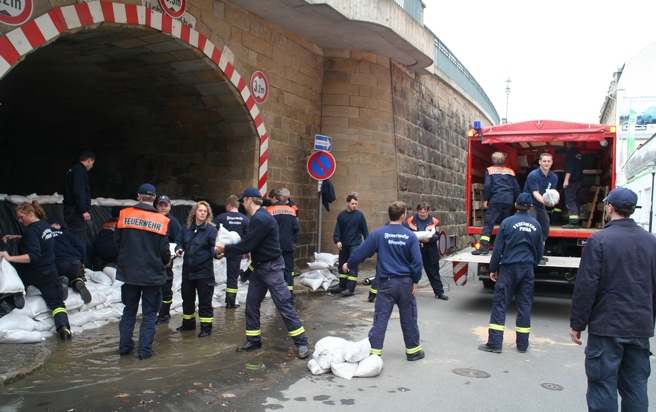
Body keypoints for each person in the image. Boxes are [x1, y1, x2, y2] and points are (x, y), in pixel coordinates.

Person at [569, 187, 656, 412]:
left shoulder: (599, 241)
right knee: (636, 387)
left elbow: (586, 287)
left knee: (602, 387)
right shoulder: (651, 242)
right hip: (639, 328)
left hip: (607, 328)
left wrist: (578, 324)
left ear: (610, 207)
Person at [215, 187, 309, 359]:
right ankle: (253, 340)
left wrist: (225, 248)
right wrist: (232, 251)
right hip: (260, 267)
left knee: (283, 304)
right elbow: (253, 243)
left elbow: (247, 245)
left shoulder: (260, 218)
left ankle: (302, 342)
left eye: (243, 200)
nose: (242, 203)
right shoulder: (259, 217)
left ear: (249, 200)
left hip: (271, 268)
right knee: (251, 304)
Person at [343, 201, 424, 361]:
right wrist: (415, 281)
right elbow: (417, 263)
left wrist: (348, 264)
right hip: (405, 284)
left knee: (381, 318)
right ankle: (413, 351)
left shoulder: (379, 234)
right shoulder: (410, 236)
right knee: (409, 318)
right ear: (403, 216)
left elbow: (361, 252)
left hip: (386, 283)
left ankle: (374, 353)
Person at [478, 193, 543, 354]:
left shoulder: (507, 223)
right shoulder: (536, 225)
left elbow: (498, 249)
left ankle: (495, 343)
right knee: (525, 305)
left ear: (515, 204)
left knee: (500, 304)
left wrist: (493, 269)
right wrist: (531, 264)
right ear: (530, 207)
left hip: (508, 269)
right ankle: (522, 344)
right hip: (527, 269)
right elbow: (540, 251)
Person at [0, 201, 72, 340]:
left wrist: (9, 257)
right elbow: (40, 240)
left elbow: (32, 256)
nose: (20, 221)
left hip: (32, 273)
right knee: (57, 304)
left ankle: (16, 297)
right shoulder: (45, 226)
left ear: (31, 214)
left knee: (15, 285)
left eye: (22, 217)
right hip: (49, 273)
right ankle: (64, 330)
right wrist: (18, 237)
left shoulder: (32, 231)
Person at [115, 183, 171, 359]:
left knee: (129, 311)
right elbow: (164, 250)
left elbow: (117, 242)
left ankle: (124, 348)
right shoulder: (162, 220)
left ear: (138, 196)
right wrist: (166, 261)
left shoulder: (124, 215)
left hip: (129, 273)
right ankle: (144, 351)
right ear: (154, 199)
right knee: (149, 314)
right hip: (152, 275)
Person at [174, 201, 218, 338]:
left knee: (205, 301)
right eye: (200, 210)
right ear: (195, 212)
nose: (203, 213)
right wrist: (178, 249)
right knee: (187, 298)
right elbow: (179, 241)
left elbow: (214, 248)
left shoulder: (211, 230)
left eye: (205, 211)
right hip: (188, 271)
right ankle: (188, 324)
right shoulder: (186, 228)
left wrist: (217, 254)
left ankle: (206, 328)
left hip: (204, 272)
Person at [472, 152, 521, 255]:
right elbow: (516, 187)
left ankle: (484, 248)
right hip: (508, 200)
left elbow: (488, 186)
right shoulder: (510, 171)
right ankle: (505, 248)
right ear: (503, 160)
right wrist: (518, 200)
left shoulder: (490, 170)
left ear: (493, 160)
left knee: (489, 224)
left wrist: (486, 199)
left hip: (496, 199)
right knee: (505, 224)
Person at [406, 202, 448, 301]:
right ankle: (408, 292)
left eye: (424, 213)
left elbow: (438, 235)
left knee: (434, 273)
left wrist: (429, 240)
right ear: (417, 211)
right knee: (411, 272)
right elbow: (407, 233)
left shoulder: (434, 221)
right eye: (420, 212)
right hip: (415, 250)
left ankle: (439, 292)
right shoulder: (411, 220)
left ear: (428, 212)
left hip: (430, 251)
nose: (422, 214)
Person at [214, 195, 250, 308]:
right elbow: (248, 237)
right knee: (232, 277)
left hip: (220, 249)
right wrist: (248, 251)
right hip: (236, 251)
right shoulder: (245, 219)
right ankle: (230, 301)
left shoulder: (221, 217)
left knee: (215, 273)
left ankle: (213, 296)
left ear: (229, 205)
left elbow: (211, 231)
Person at [47, 218, 92, 304]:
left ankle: (62, 280)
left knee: (54, 276)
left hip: (59, 264)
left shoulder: (45, 236)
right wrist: (82, 262)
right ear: (56, 225)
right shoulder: (65, 233)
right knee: (73, 276)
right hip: (75, 263)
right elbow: (81, 246)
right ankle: (77, 282)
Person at [267, 188, 299, 303]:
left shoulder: (270, 210)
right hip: (288, 246)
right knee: (288, 271)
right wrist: (293, 241)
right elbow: (296, 228)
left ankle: (277, 294)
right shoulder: (291, 210)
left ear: (274, 198)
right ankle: (289, 295)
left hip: (274, 246)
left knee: (274, 270)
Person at [333, 193, 369, 296]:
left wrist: (367, 243)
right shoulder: (341, 216)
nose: (355, 206)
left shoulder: (360, 215)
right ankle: (342, 286)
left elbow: (365, 231)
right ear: (347, 203)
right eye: (353, 203)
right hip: (343, 244)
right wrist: (337, 241)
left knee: (352, 265)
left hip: (355, 244)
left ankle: (350, 289)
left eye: (356, 204)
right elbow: (337, 231)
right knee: (341, 265)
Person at [63, 151, 96, 262]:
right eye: (92, 163)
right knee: (78, 239)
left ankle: (76, 266)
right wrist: (83, 210)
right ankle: (77, 267)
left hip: (70, 209)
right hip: (75, 210)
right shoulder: (79, 171)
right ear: (89, 161)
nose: (92, 166)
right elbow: (78, 191)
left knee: (75, 236)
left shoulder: (72, 170)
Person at [154, 196, 181, 325]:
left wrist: (172, 256)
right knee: (153, 288)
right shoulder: (152, 219)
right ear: (156, 206)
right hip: (153, 260)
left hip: (167, 261)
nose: (163, 207)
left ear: (170, 206)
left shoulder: (173, 223)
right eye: (161, 205)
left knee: (166, 287)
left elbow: (178, 241)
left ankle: (164, 314)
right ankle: (154, 312)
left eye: (166, 205)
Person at [523, 152, 558, 241]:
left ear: (552, 162)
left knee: (545, 226)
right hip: (530, 204)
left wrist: (555, 201)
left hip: (540, 204)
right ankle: (529, 250)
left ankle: (540, 249)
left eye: (548, 161)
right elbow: (535, 193)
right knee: (532, 225)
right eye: (544, 161)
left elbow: (552, 193)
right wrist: (546, 202)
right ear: (539, 162)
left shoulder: (553, 177)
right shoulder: (533, 175)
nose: (546, 163)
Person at [562, 142, 583, 229]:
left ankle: (573, 222)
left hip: (572, 181)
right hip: (579, 180)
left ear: (567, 144)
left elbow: (569, 168)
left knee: (570, 201)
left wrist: (566, 180)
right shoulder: (578, 153)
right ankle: (576, 221)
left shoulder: (570, 153)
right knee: (575, 201)